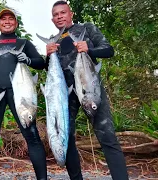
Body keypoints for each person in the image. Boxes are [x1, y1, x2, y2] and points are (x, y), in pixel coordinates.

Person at [45, 1, 129, 180]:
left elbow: (109, 50)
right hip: (66, 94)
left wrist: (89, 49)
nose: (59, 16)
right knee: (65, 138)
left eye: (63, 12)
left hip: (91, 91)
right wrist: (48, 56)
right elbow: (52, 72)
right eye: (56, 14)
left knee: (107, 137)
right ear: (52, 19)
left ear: (71, 14)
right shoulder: (54, 40)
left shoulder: (87, 28)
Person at [0, 9, 47, 180]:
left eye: (10, 19)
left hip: (20, 94)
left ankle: (42, 178)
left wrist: (27, 59)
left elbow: (40, 63)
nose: (7, 21)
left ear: (16, 23)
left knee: (32, 135)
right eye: (3, 19)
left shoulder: (23, 43)